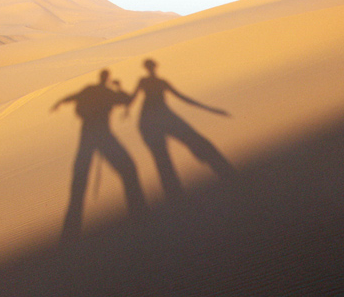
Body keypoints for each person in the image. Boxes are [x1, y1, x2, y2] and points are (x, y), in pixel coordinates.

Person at [52, 69, 146, 237]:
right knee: (128, 168)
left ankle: (72, 224)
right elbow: (127, 100)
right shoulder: (108, 92)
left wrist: (59, 102)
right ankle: (138, 211)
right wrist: (119, 87)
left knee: (81, 172)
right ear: (107, 79)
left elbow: (73, 97)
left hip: (87, 133)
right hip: (102, 134)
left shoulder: (90, 89)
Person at [130, 58, 235, 199]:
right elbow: (130, 100)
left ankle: (226, 172)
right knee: (162, 157)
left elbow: (183, 98)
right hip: (150, 121)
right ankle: (174, 193)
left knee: (193, 143)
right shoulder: (145, 81)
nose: (152, 69)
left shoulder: (160, 82)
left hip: (162, 116)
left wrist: (211, 109)